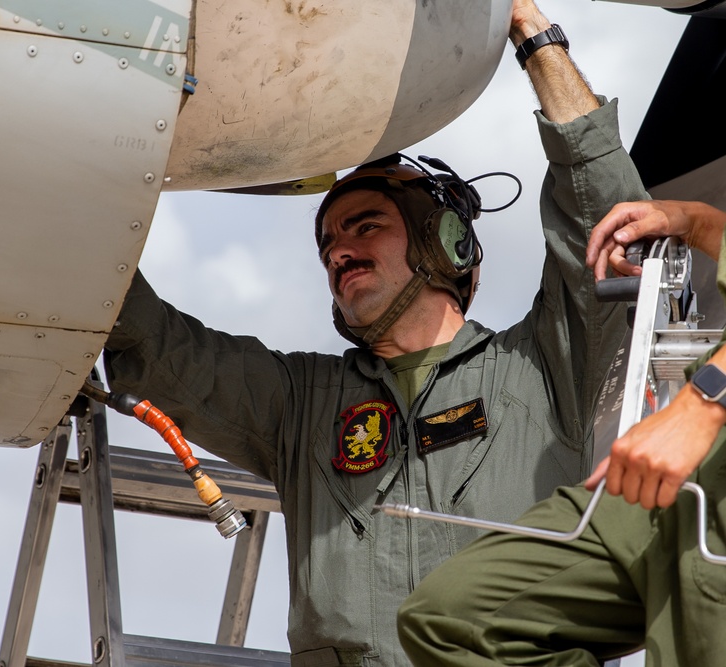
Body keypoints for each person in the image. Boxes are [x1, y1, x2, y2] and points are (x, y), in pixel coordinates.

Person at [103, 1, 647, 664]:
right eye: (328, 241)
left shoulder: (542, 366)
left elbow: (610, 218)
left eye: (364, 226)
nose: (338, 250)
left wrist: (533, 35)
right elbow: (157, 347)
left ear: (443, 241)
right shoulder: (300, 403)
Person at [396, 199, 726, 666]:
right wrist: (696, 222)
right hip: (672, 485)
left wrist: (705, 402)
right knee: (448, 620)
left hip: (703, 456)